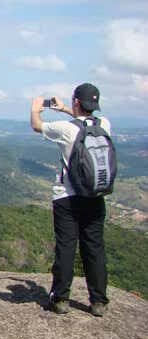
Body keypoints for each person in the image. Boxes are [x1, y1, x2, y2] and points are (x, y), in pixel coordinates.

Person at [30, 83, 111, 317]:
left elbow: (37, 126)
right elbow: (86, 119)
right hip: (96, 196)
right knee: (94, 247)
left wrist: (36, 108)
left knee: (66, 246)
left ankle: (61, 299)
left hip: (67, 197)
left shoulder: (66, 129)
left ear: (77, 102)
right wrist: (66, 108)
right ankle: (98, 302)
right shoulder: (104, 125)